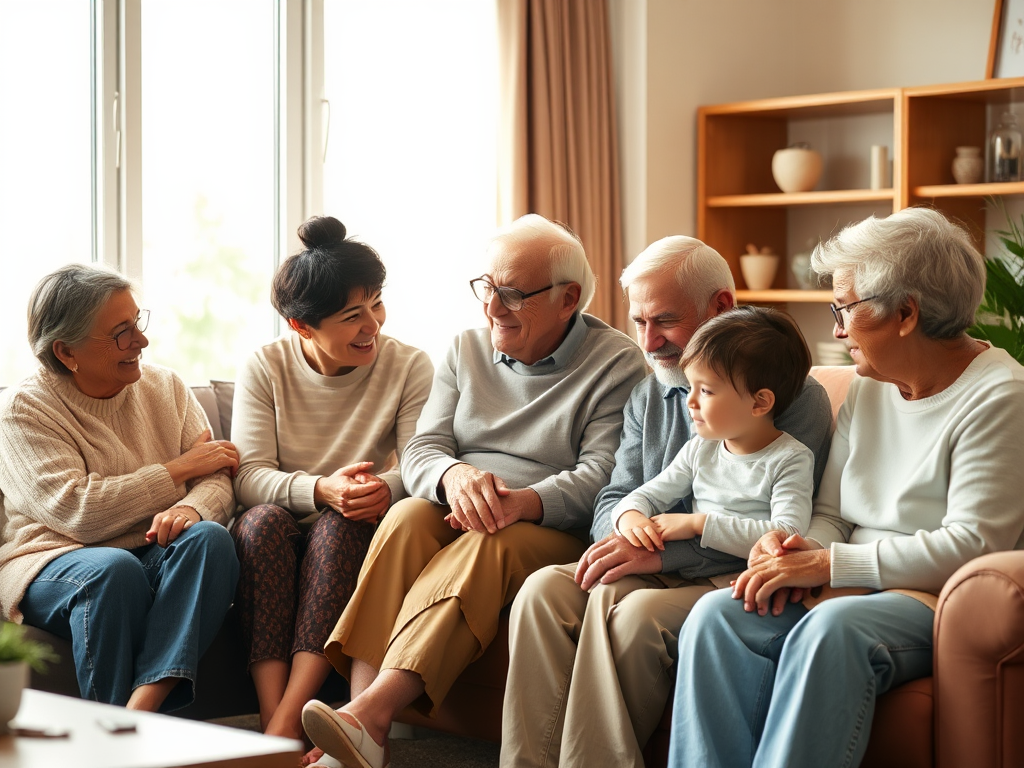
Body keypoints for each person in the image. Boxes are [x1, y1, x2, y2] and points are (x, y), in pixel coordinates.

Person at [669, 207, 1024, 768]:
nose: (836, 330)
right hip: (847, 577)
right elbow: (832, 512)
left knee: (833, 629)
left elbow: (974, 544)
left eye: (844, 309)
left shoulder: (1000, 397)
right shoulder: (871, 385)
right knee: (717, 617)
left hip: (930, 596)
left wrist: (830, 566)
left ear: (905, 313)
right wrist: (795, 549)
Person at [299, 214, 647, 768]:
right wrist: (453, 478)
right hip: (461, 503)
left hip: (550, 524)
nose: (492, 308)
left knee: (492, 540)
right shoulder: (466, 349)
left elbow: (604, 475)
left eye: (512, 294)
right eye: (487, 288)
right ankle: (365, 741)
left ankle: (369, 716)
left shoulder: (617, 362)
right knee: (406, 517)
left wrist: (522, 503)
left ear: (567, 299)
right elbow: (422, 449)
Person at [501, 236, 834, 768]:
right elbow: (617, 494)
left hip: (715, 569)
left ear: (720, 306)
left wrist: (660, 553)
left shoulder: (793, 400)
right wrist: (626, 530)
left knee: (625, 610)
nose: (649, 341)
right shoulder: (648, 394)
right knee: (542, 591)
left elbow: (781, 534)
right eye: (638, 321)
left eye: (664, 321)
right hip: (652, 554)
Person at [229, 216, 433, 743]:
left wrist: (385, 488)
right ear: (301, 326)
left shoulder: (409, 366)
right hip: (278, 525)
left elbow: (420, 464)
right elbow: (248, 477)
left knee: (339, 527)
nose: (373, 325)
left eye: (377, 304)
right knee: (259, 524)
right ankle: (276, 718)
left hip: (352, 528)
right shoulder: (265, 367)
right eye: (352, 316)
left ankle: (286, 720)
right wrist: (322, 490)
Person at [0, 264, 239, 712]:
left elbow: (216, 474)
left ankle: (138, 715)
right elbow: (79, 512)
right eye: (120, 333)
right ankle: (113, 723)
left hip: (148, 548)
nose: (141, 341)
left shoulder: (166, 387)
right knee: (114, 570)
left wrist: (191, 509)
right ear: (66, 351)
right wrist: (177, 469)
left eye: (137, 322)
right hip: (50, 559)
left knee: (210, 538)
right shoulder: (22, 411)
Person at [613, 306, 814, 561]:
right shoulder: (700, 448)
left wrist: (698, 524)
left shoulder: (791, 459)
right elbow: (647, 496)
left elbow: (787, 534)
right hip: (687, 566)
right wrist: (629, 515)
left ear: (759, 403)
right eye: (690, 387)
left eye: (706, 391)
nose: (690, 401)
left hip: (744, 574)